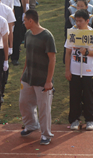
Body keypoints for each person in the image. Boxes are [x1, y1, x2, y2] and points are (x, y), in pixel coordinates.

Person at [19, 10, 56, 146]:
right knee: (23, 102)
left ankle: (46, 134)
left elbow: (52, 59)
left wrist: (48, 81)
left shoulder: (47, 36)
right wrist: (24, 73)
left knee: (44, 108)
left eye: (24, 20)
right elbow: (28, 56)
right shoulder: (28, 34)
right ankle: (31, 125)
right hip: (28, 77)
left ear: (31, 21)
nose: (23, 22)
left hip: (42, 79)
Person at [65, 9, 93, 131]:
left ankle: (89, 119)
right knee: (74, 95)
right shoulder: (73, 33)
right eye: (76, 21)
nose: (78, 23)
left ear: (87, 21)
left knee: (88, 95)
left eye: (80, 21)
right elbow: (67, 52)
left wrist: (88, 52)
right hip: (75, 70)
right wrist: (67, 70)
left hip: (88, 70)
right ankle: (74, 119)